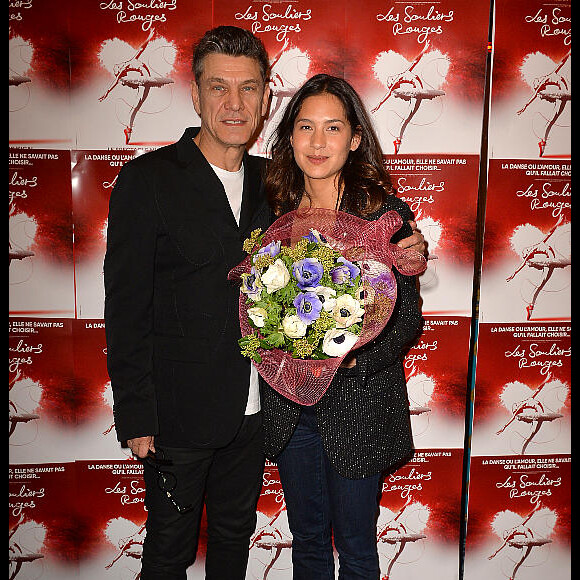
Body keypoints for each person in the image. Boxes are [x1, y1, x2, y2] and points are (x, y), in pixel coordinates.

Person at [104, 25, 424, 579]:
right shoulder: (147, 181)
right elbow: (125, 307)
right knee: (168, 552)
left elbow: (395, 299)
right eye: (220, 87)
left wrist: (403, 257)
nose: (234, 103)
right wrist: (136, 414)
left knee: (236, 543)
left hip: (255, 417)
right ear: (196, 93)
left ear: (264, 98)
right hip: (179, 418)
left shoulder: (270, 186)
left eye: (248, 88)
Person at [261, 73, 425, 579]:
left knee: (356, 546)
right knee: (307, 541)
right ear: (289, 136)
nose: (317, 142)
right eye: (306, 127)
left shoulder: (383, 216)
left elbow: (405, 319)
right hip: (290, 409)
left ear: (355, 140)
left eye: (333, 129)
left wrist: (348, 357)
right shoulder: (271, 212)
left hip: (359, 403)